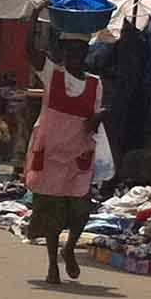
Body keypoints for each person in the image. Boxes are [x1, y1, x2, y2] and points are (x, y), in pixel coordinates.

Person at [24, 29, 104, 285]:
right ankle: (52, 266)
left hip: (78, 156)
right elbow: (30, 51)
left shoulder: (95, 83)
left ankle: (69, 247)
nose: (75, 56)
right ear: (63, 53)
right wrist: (35, 18)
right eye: (70, 51)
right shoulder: (52, 75)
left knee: (81, 210)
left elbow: (95, 118)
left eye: (80, 51)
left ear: (85, 54)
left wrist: (99, 118)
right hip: (50, 156)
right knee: (52, 213)